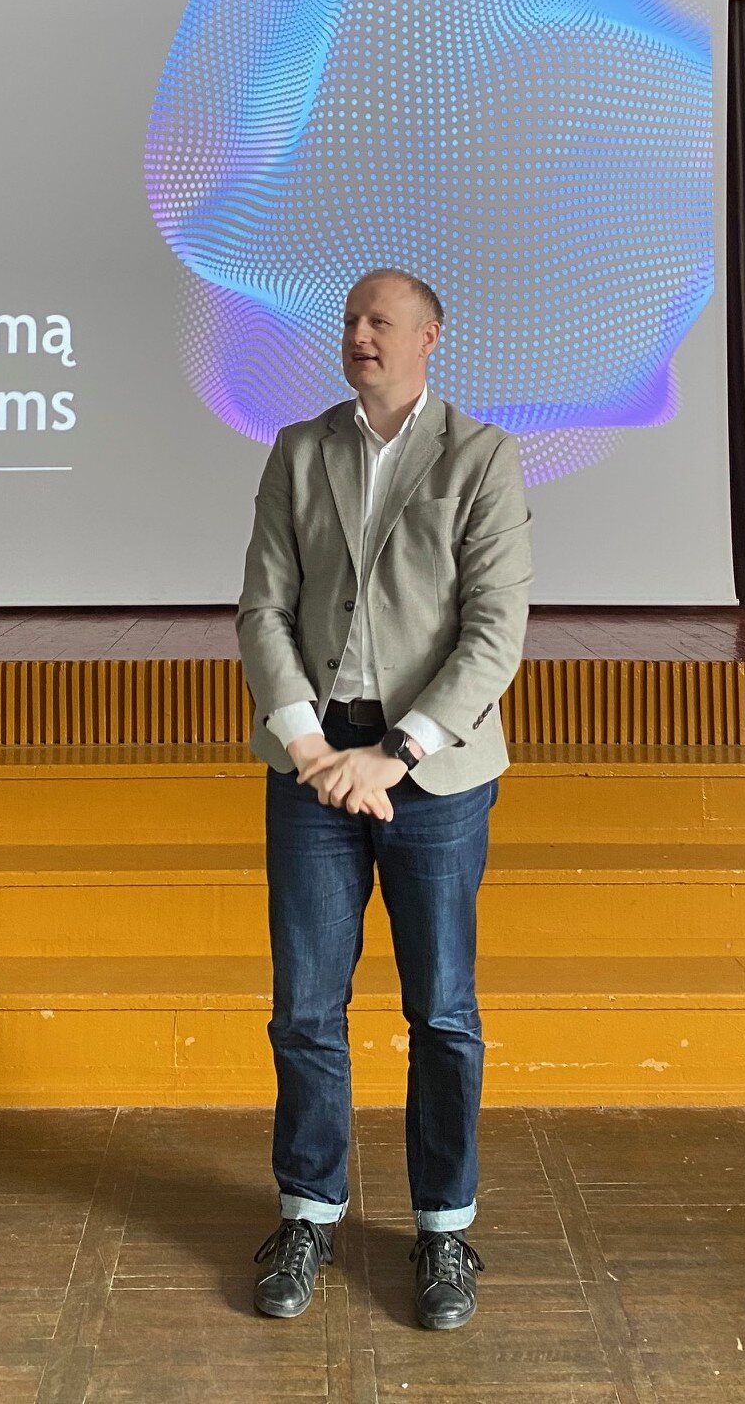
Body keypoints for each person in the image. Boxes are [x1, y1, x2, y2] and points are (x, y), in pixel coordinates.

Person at [235, 268, 533, 1330]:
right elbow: (264, 609)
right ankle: (307, 1212)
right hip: (314, 769)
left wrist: (395, 754)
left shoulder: (480, 457)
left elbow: (494, 630)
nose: (359, 333)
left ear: (428, 336)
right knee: (305, 1009)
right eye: (350, 319)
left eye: (380, 320)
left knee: (441, 1010)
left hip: (432, 776)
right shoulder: (299, 450)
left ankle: (443, 1230)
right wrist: (311, 745)